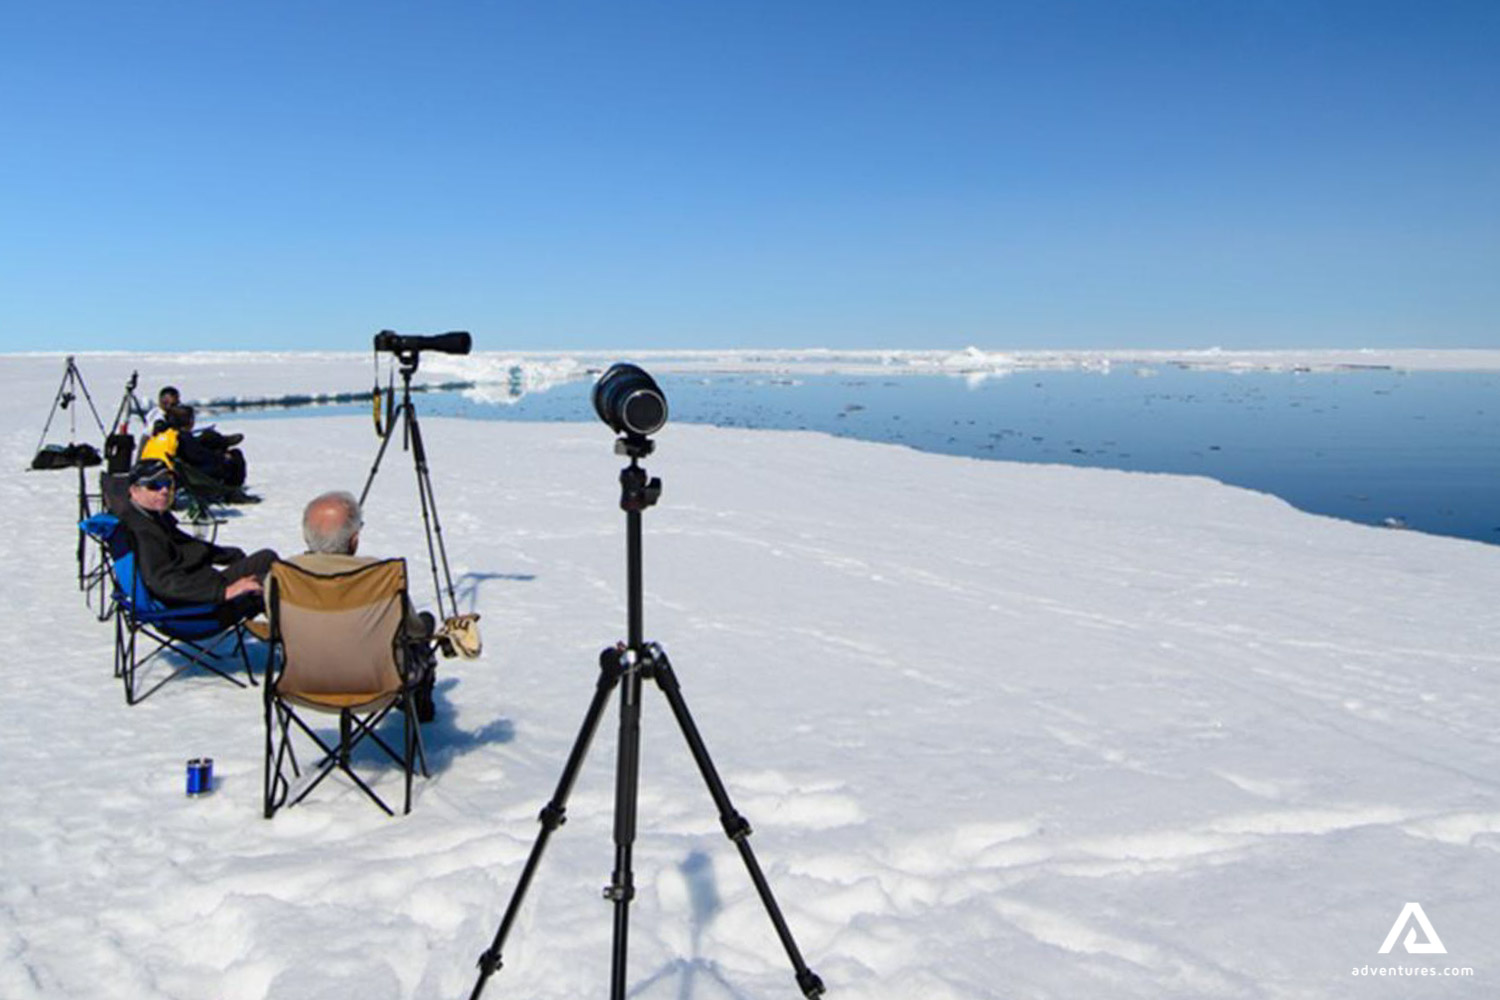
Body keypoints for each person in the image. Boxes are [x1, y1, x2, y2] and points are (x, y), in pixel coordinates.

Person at [288, 490, 438, 721]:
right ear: (354, 540)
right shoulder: (380, 577)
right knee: (424, 625)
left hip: (302, 684)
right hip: (378, 684)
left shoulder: (285, 577)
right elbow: (413, 630)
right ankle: (419, 708)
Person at [117, 459, 279, 626]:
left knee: (267, 558)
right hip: (192, 610)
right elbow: (163, 583)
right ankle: (292, 641)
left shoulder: (153, 517)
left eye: (168, 483)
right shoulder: (141, 531)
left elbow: (188, 546)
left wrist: (228, 555)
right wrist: (225, 592)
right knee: (274, 582)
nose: (164, 490)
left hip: (203, 585)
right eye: (154, 485)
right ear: (134, 491)